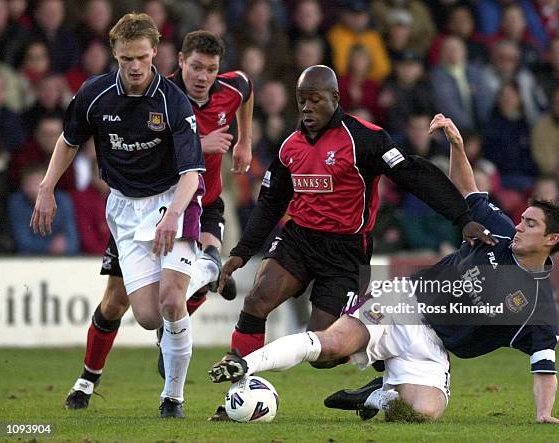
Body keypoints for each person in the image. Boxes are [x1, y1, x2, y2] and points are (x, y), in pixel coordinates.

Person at [209, 113, 559, 425]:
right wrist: (457, 146)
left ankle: (377, 394)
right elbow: (468, 191)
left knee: (424, 413)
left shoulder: (537, 307)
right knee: (331, 345)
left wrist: (544, 413)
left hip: (435, 346)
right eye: (522, 219)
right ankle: (246, 365)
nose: (519, 226)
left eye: (530, 224)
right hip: (403, 303)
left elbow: (545, 364)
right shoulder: (498, 231)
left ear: (551, 240)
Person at [210, 65, 495, 420]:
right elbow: (270, 203)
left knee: (323, 352)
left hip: (346, 251)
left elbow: (413, 174)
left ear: (335, 98)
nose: (307, 108)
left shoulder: (366, 139)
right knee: (256, 301)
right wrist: (240, 253)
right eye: (302, 101)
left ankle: (378, 365)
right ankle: (234, 397)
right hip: (299, 238)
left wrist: (462, 218)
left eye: (315, 100)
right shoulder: (290, 146)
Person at [62, 30, 254, 409]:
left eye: (211, 69)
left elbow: (246, 91)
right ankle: (89, 378)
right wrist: (203, 143)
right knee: (117, 303)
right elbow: (149, 148)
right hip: (140, 206)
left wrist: (245, 139)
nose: (203, 76)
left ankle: (172, 352)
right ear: (179, 62)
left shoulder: (232, 88)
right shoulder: (163, 97)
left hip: (198, 201)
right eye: (196, 66)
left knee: (172, 297)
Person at [31, 13, 205, 418]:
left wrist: (172, 215)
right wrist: (46, 186)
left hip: (170, 199)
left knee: (171, 299)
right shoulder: (94, 94)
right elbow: (68, 139)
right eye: (126, 58)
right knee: (146, 317)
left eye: (143, 57)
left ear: (155, 53)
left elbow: (191, 174)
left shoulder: (172, 101)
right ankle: (202, 274)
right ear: (115, 54)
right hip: (125, 209)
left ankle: (172, 399)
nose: (135, 66)